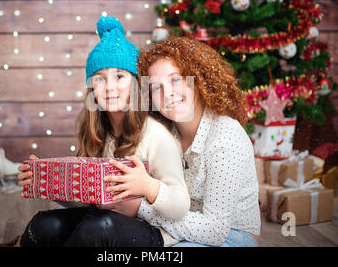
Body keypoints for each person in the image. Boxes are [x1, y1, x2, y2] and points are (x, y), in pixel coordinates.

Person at [15, 17, 190, 247]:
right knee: (44, 225)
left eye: (119, 77)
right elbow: (87, 199)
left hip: (154, 229)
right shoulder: (98, 131)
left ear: (136, 84)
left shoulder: (157, 136)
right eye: (100, 78)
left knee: (97, 229)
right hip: (104, 218)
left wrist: (148, 186)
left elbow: (180, 205)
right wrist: (51, 182)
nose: (109, 87)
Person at [136, 36, 261, 247]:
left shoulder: (226, 137)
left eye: (176, 79)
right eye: (156, 88)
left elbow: (214, 231)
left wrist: (141, 208)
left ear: (200, 79)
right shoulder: (165, 134)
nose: (168, 94)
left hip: (233, 236)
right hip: (181, 229)